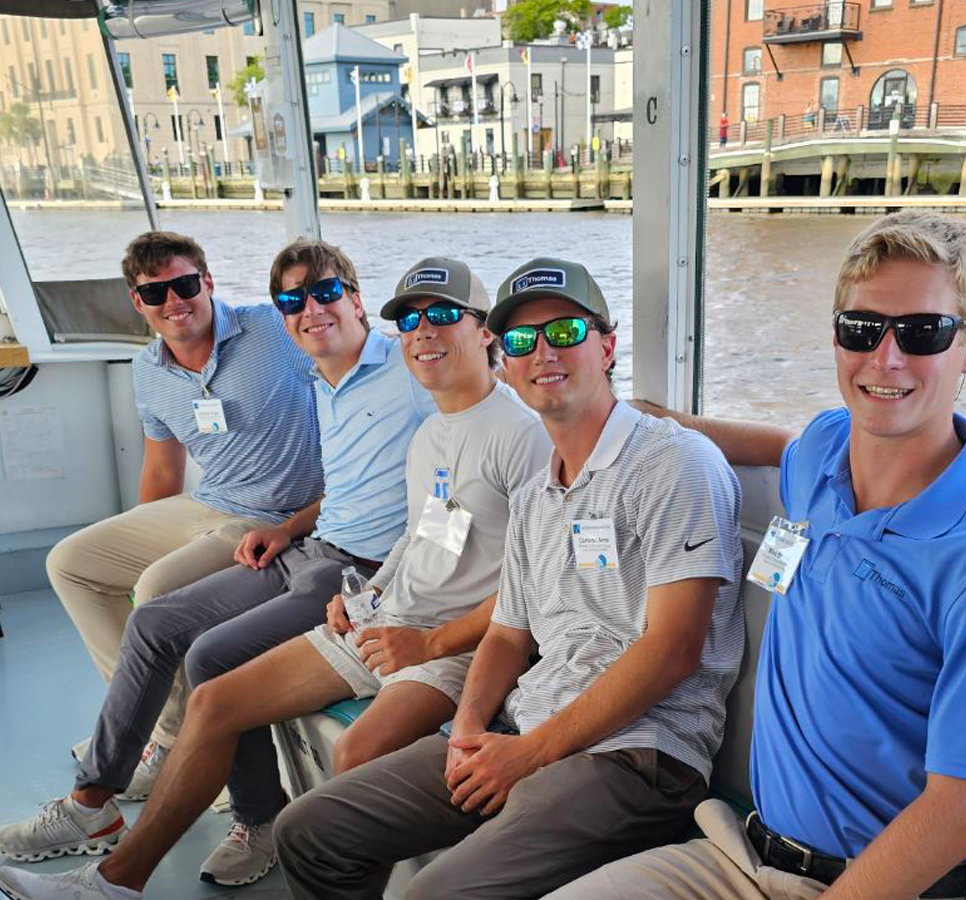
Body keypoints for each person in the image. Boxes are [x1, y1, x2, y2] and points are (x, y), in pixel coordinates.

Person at [547, 211, 966, 900]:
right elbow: (784, 446)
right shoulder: (822, 454)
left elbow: (962, 812)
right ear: (836, 337)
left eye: (923, 332)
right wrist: (668, 425)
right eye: (861, 329)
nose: (887, 358)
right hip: (741, 854)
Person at [272, 257, 745, 900]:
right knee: (310, 829)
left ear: (606, 347)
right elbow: (506, 634)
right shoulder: (536, 494)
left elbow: (673, 650)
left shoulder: (673, 463)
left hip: (637, 757)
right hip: (523, 726)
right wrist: (469, 730)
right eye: (522, 340)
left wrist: (531, 753)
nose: (542, 352)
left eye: (564, 333)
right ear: (507, 361)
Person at [0, 241, 436, 895]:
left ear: (356, 300)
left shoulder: (409, 371)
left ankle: (253, 821)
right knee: (154, 621)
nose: (309, 311)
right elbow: (342, 487)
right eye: (293, 301)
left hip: (351, 570)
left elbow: (469, 469)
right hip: (301, 542)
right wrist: (288, 529)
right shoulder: (320, 381)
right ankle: (93, 801)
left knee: (210, 657)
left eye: (324, 294)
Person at [43, 231, 323, 798]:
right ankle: (160, 728)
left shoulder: (273, 329)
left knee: (154, 593)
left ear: (208, 282)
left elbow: (348, 354)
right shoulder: (147, 370)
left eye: (185, 284)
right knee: (69, 563)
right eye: (156, 293)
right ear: (137, 303)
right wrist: (151, 537)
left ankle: (167, 740)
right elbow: (162, 471)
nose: (174, 302)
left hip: (275, 514)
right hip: (204, 503)